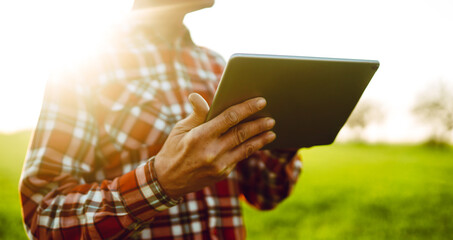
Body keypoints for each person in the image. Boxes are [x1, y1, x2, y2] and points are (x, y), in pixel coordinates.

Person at [19, 0, 302, 239]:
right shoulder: (85, 63)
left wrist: (286, 132)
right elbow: (43, 215)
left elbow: (264, 195)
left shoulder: (218, 67)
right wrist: (162, 182)